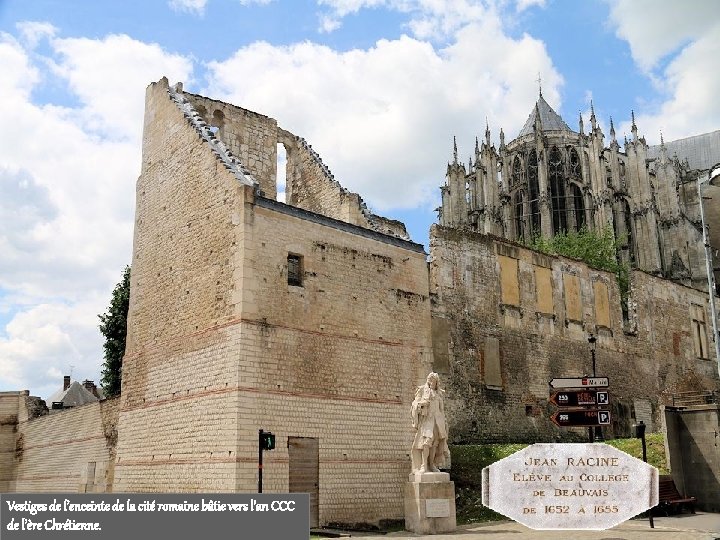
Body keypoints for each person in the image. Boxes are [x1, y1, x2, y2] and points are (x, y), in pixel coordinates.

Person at [411, 372, 450, 473]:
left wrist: (444, 422)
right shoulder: (422, 390)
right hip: (427, 421)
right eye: (430, 379)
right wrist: (421, 404)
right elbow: (415, 403)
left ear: (437, 382)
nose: (431, 382)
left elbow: (442, 410)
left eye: (434, 380)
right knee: (426, 443)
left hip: (437, 422)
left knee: (435, 444)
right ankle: (424, 465)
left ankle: (432, 464)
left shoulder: (439, 393)